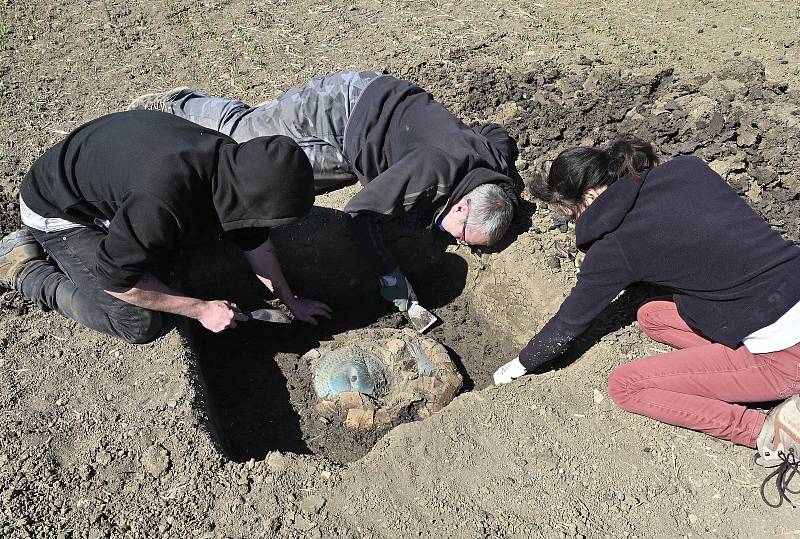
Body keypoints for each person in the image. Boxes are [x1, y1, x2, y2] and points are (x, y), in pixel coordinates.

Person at [492, 136, 800, 505]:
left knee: (626, 386)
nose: (574, 223)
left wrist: (516, 366)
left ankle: (769, 431)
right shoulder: (688, 169)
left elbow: (568, 325)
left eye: (570, 213)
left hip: (786, 354)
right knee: (652, 316)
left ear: (588, 196)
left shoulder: (615, 247)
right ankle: (736, 368)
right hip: (786, 290)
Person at [128, 71, 518, 312]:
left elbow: (496, 133)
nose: (463, 245)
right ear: (463, 204)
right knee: (244, 143)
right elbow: (359, 214)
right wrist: (389, 276)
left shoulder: (494, 163)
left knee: (285, 165)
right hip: (343, 108)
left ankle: (268, 117)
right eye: (466, 237)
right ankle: (180, 103)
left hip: (367, 131)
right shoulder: (430, 170)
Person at [0, 110, 331, 344]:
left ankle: (125, 240)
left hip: (112, 179)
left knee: (182, 247)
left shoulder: (237, 168)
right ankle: (24, 269)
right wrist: (200, 310)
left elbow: (253, 239)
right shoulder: (162, 200)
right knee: (138, 323)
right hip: (58, 209)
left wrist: (292, 301)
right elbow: (116, 280)